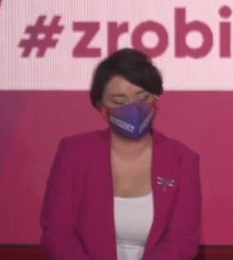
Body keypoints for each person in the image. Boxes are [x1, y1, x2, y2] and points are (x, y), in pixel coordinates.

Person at [41, 48, 201, 260]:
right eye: (119, 102)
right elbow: (59, 234)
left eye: (142, 98)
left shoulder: (182, 159)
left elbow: (182, 241)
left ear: (156, 100)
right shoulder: (73, 153)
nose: (133, 109)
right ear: (101, 108)